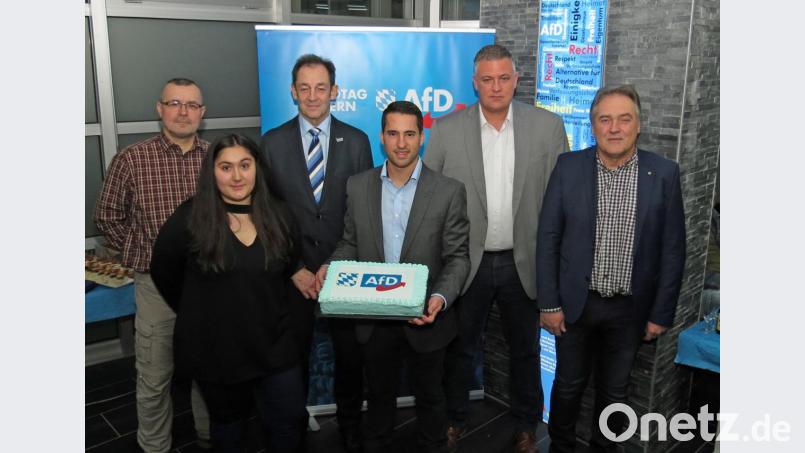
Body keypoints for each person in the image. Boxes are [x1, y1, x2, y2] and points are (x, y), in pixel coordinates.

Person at [424, 44, 569, 452]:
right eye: (487, 79)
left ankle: (526, 424)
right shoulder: (447, 131)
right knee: (460, 349)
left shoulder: (548, 127)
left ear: (516, 79)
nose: (496, 86)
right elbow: (430, 199)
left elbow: (562, 202)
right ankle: (454, 420)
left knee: (526, 351)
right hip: (464, 265)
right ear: (475, 83)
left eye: (504, 78)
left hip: (524, 262)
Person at [536, 85, 686, 453]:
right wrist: (549, 304)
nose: (614, 128)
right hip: (576, 304)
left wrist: (659, 314)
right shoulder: (568, 167)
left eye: (624, 119)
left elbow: (672, 250)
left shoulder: (664, 174)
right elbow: (548, 238)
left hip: (629, 311)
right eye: (605, 119)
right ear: (593, 126)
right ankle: (561, 445)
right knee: (568, 385)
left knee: (615, 392)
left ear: (639, 126)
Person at [316, 101, 470, 453]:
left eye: (410, 134)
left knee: (432, 402)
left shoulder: (449, 191)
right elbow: (350, 242)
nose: (401, 143)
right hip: (375, 320)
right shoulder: (358, 186)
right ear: (382, 137)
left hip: (426, 319)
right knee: (379, 402)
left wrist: (440, 298)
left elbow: (458, 258)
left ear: (422, 137)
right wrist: (332, 268)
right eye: (393, 133)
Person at [150, 134, 308, 452]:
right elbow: (164, 271)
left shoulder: (280, 215)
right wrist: (199, 309)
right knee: (228, 428)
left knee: (290, 421)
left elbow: (289, 265)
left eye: (244, 165)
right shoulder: (190, 217)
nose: (236, 176)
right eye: (226, 167)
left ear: (257, 169)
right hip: (218, 351)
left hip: (274, 344)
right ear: (212, 172)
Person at [260, 53, 374, 451]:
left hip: (342, 271)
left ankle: (350, 427)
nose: (312, 96)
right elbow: (266, 215)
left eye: (320, 87)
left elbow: (362, 211)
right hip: (292, 277)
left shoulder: (357, 141)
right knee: (293, 361)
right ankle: (292, 427)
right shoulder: (272, 144)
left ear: (335, 92)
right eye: (304, 88)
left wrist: (334, 264)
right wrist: (295, 268)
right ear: (293, 92)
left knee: (349, 358)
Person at [94, 78, 210, 452]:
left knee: (207, 368)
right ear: (159, 109)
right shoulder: (132, 159)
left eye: (191, 105)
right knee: (155, 375)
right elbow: (107, 216)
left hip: (208, 285)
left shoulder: (216, 159)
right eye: (174, 103)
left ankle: (211, 435)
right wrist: (144, 252)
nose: (183, 112)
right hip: (155, 287)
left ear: (202, 113)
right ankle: (155, 445)